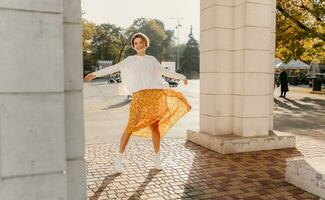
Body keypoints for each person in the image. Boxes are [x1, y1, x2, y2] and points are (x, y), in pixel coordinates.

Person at [84, 32, 191, 173]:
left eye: (141, 42)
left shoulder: (152, 59)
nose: (138, 45)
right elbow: (113, 67)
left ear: (145, 44)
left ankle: (157, 158)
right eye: (136, 43)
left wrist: (181, 77)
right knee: (131, 126)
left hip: (155, 95)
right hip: (140, 96)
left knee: (154, 127)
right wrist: (95, 74)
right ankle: (119, 160)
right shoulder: (129, 60)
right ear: (133, 46)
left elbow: (164, 71)